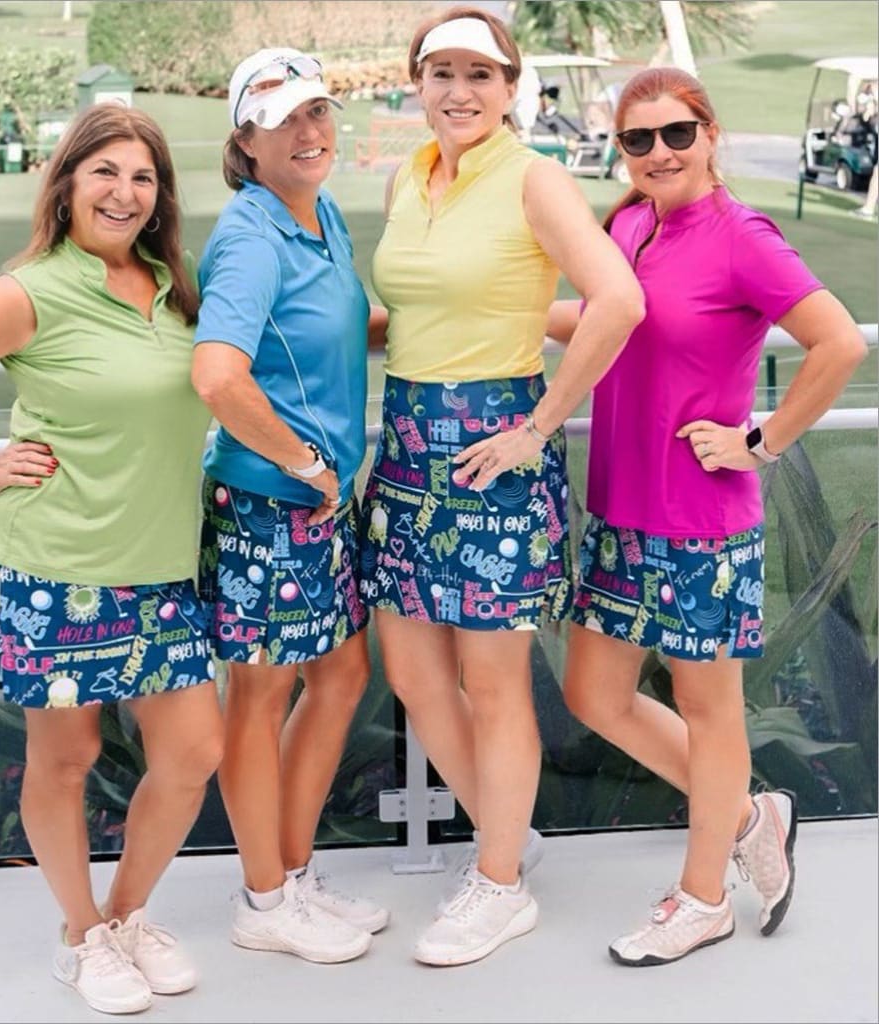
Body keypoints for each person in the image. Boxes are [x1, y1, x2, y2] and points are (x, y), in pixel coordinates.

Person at [0, 103, 224, 1014]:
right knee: (66, 758)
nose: (124, 193)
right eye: (105, 172)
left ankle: (125, 915)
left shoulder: (173, 289)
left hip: (160, 572)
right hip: (52, 570)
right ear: (65, 185)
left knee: (193, 752)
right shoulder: (30, 291)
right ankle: (82, 934)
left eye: (142, 177)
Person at [548, 66, 867, 967]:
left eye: (676, 133)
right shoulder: (628, 225)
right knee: (593, 695)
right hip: (620, 510)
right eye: (637, 139)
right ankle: (751, 815)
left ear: (710, 134)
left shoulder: (742, 238)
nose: (659, 153)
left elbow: (839, 341)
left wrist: (760, 441)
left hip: (701, 521)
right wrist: (506, 314)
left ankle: (704, 899)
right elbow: (608, 321)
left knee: (708, 707)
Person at [359, 7, 645, 967]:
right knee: (412, 674)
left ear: (511, 87)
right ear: (418, 84)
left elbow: (619, 299)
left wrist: (538, 425)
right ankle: (504, 839)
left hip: (495, 456)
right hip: (407, 449)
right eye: (441, 72)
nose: (459, 91)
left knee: (491, 683)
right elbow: (411, 311)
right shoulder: (408, 175)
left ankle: (498, 884)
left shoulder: (534, 177)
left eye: (480, 74)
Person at [191, 47, 389, 965]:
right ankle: (264, 899)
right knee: (260, 697)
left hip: (319, 507)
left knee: (341, 677)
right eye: (282, 122)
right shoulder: (250, 237)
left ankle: (292, 874)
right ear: (246, 142)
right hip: (270, 504)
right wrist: (303, 459)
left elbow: (343, 327)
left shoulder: (321, 213)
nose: (308, 133)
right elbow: (218, 375)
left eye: (316, 112)